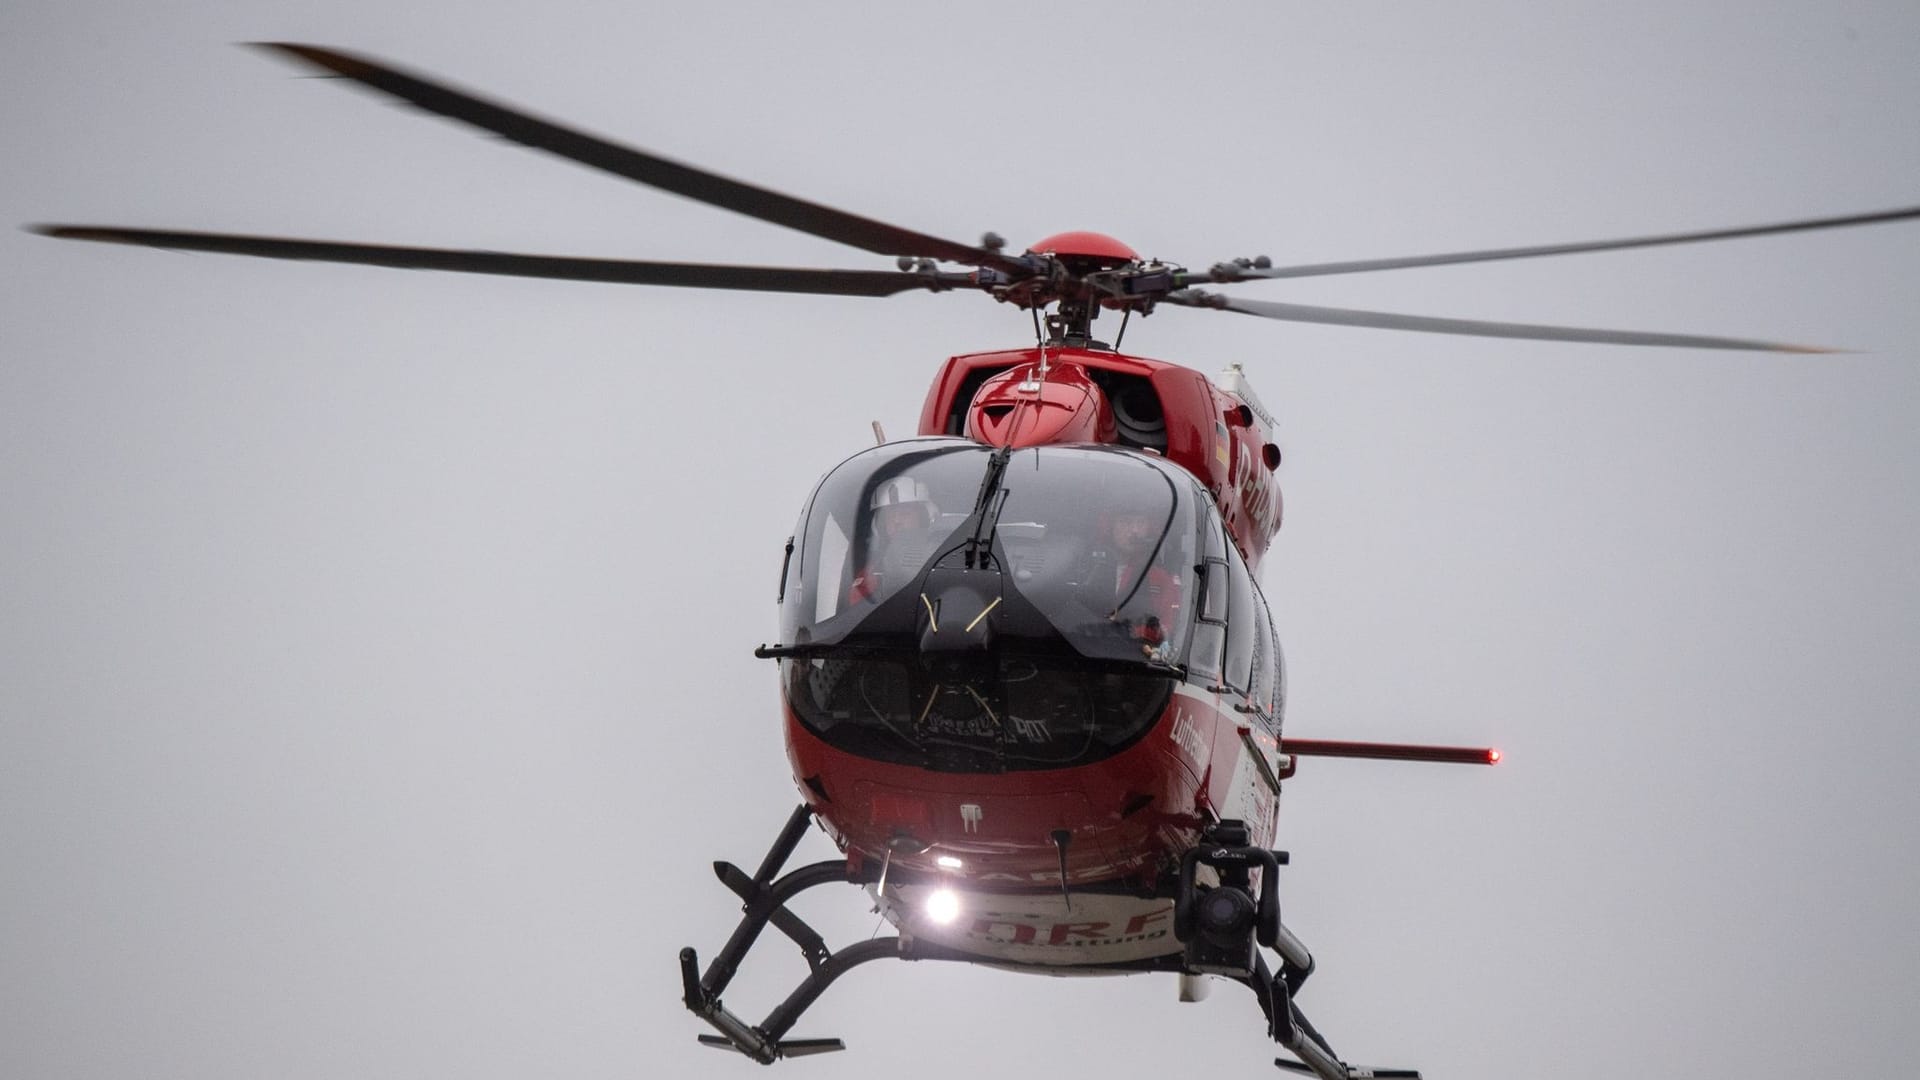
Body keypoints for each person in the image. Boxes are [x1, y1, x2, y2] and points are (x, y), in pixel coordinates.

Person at [846, 476, 937, 606]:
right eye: (890, 515)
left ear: (924, 517)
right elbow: (855, 618)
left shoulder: (944, 560)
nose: (896, 521)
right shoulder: (870, 575)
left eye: (905, 512)